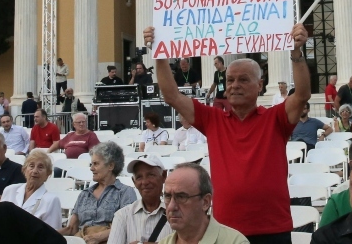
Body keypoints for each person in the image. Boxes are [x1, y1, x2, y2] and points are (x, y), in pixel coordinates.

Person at [146, 23, 310, 243]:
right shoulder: (213, 119)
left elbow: (302, 95)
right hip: (224, 232)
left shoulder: (276, 118)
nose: (234, 85)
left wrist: (297, 53)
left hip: (272, 229)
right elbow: (172, 96)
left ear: (260, 85)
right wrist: (160, 55)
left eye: (243, 79)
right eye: (230, 80)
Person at [59, 141, 137, 241]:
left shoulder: (125, 192)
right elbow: (71, 229)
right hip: (82, 240)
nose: (91, 168)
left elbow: (127, 226)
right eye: (91, 164)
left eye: (95, 164)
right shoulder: (85, 194)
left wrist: (97, 237)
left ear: (110, 166)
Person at [158, 164, 248, 244]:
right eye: (168, 197)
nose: (171, 206)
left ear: (205, 202)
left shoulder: (235, 242)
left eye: (181, 197)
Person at [108, 156, 172, 244]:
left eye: (151, 175)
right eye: (139, 177)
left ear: (164, 176)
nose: (145, 182)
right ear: (134, 182)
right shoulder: (122, 215)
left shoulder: (176, 213)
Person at [0, 149, 61, 229]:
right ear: (24, 170)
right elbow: (0, 220)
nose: (35, 171)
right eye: (31, 166)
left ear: (47, 174)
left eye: (40, 167)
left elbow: (53, 234)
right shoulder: (10, 190)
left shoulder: (51, 200)